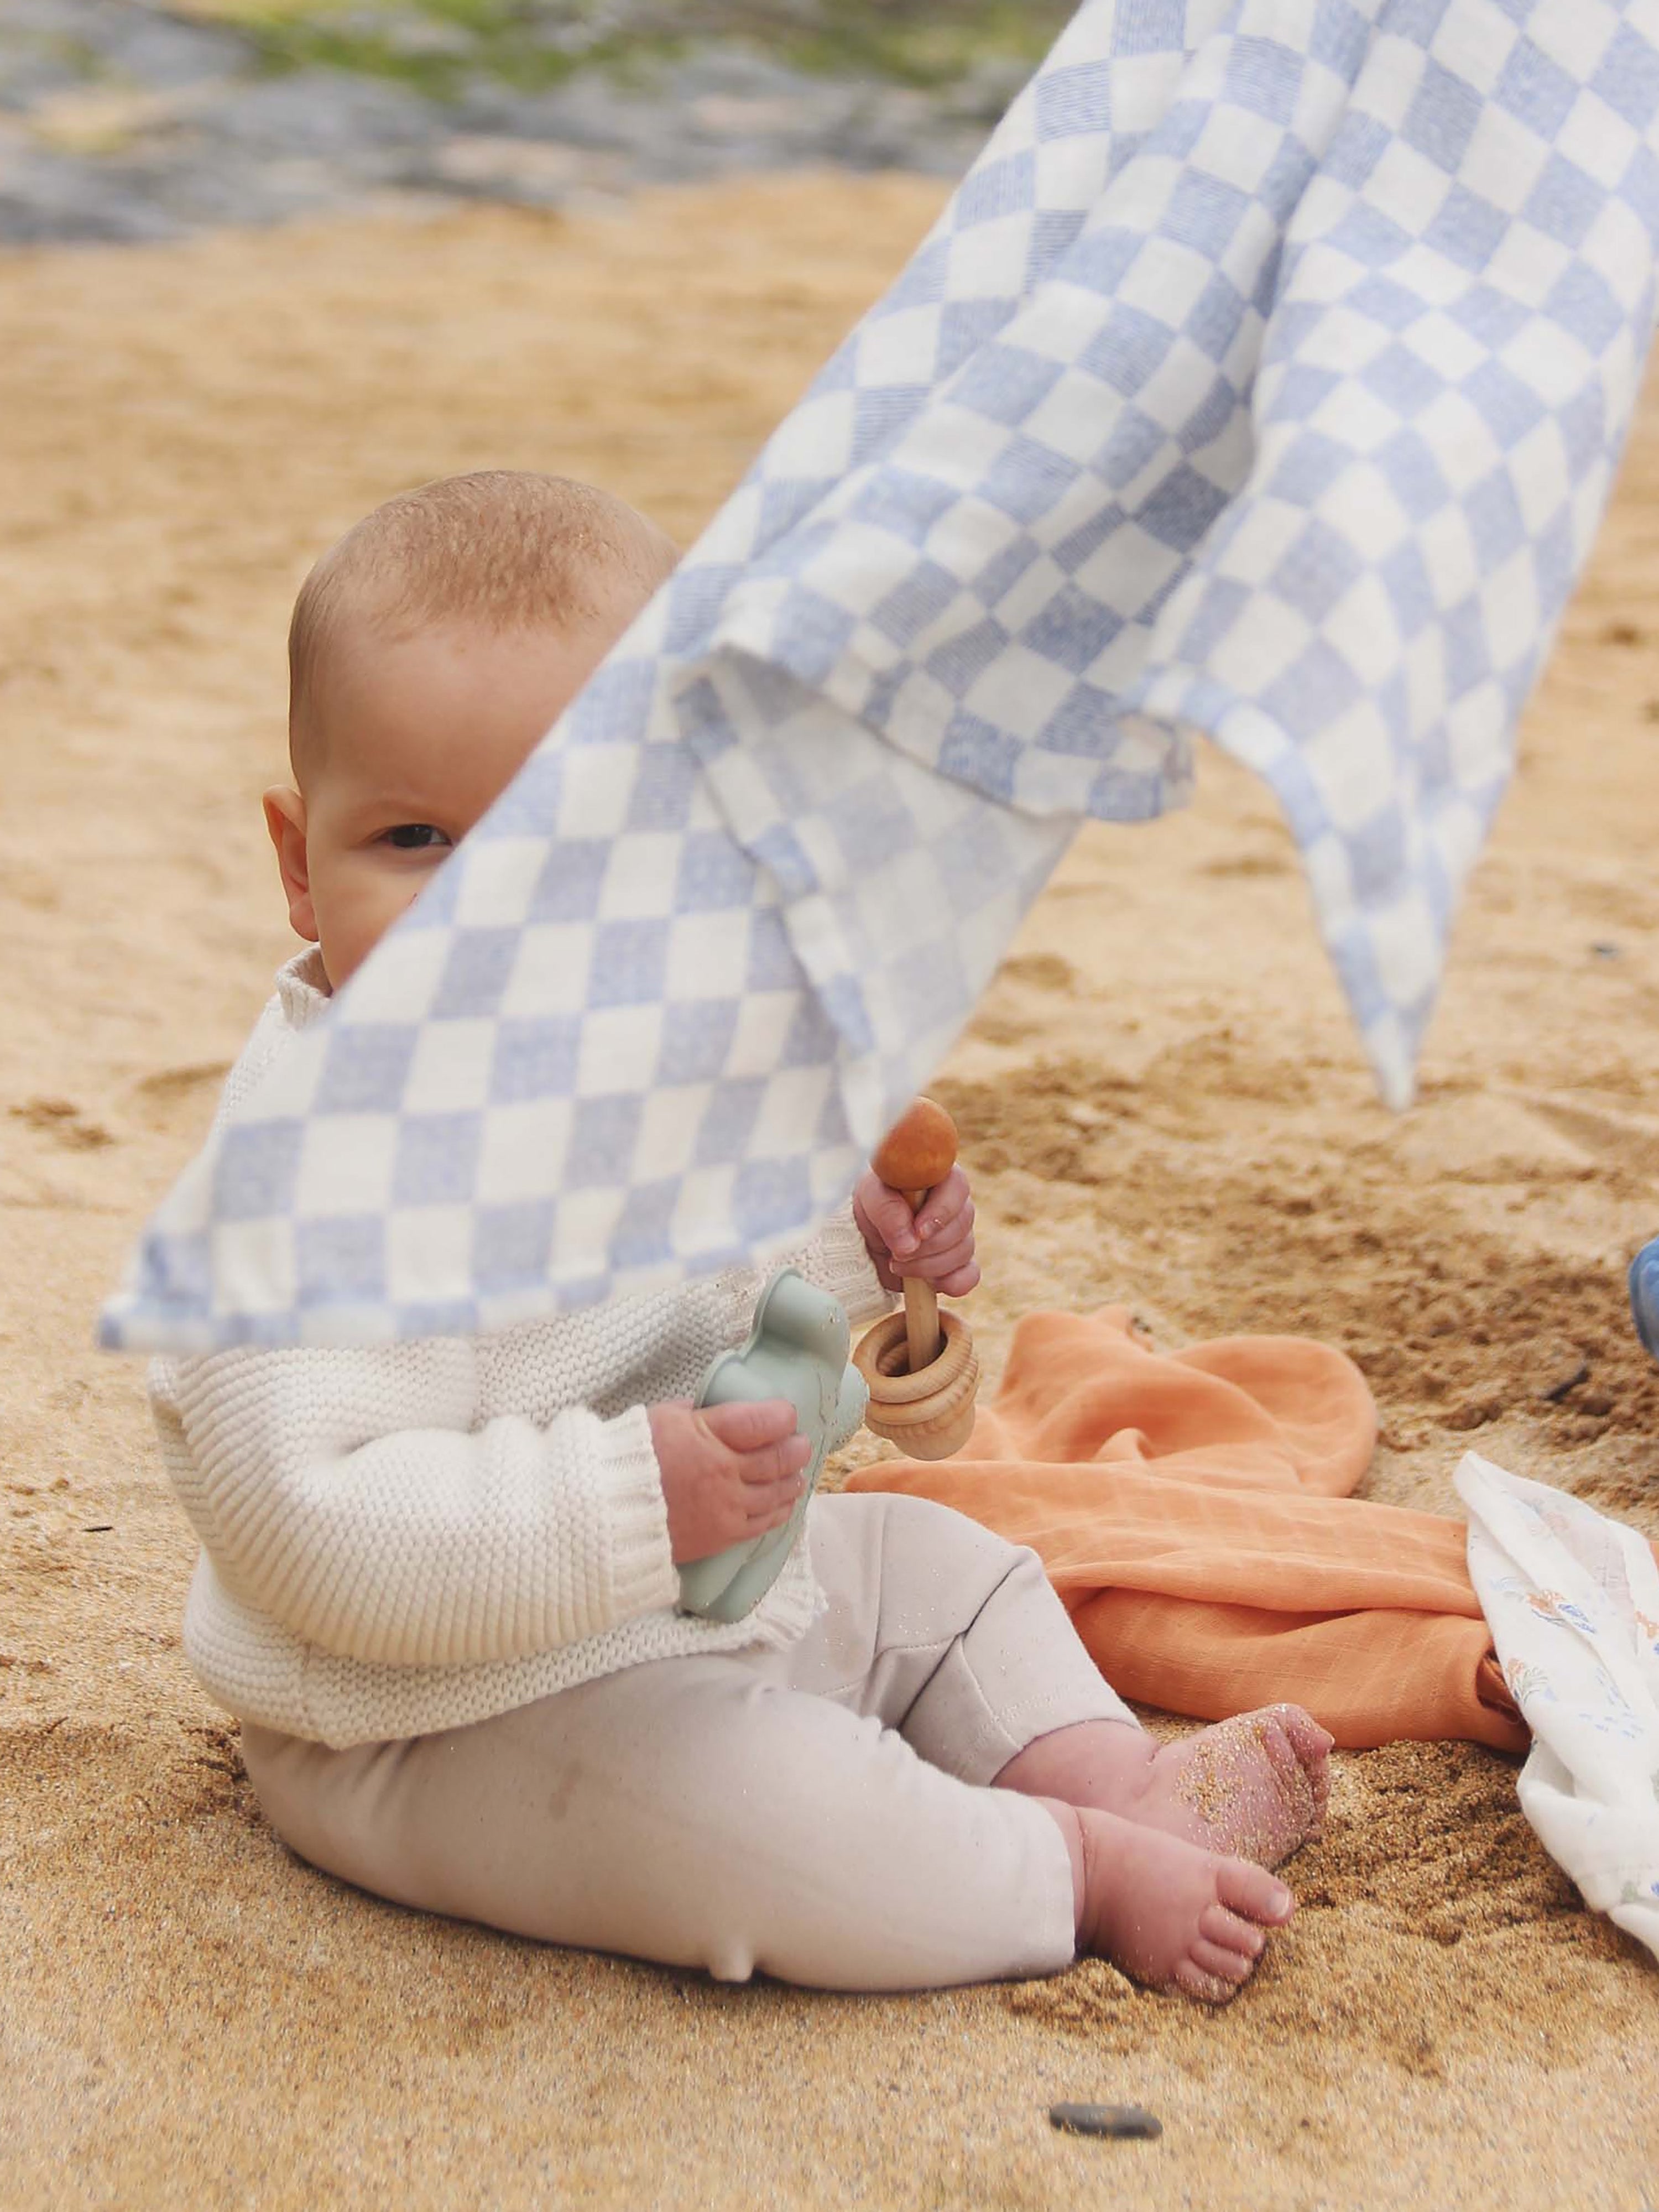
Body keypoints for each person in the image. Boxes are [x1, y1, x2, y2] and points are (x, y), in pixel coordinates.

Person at [150, 469, 1332, 2001]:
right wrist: (639, 1498)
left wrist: (874, 1268)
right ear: (302, 861)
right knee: (763, 1828)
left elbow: (755, 1327)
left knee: (948, 1567)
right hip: (434, 1715)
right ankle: (1076, 1873)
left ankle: (1114, 1786)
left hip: (690, 1592)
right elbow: (310, 1532)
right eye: (421, 837)